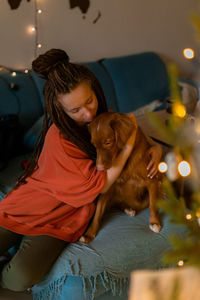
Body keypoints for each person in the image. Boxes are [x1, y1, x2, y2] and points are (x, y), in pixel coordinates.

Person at [0, 49, 162, 292]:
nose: (87, 113)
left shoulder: (103, 119)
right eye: (75, 110)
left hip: (67, 214)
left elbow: (133, 136)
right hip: (35, 200)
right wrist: (129, 144)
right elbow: (104, 184)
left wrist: (155, 147)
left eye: (89, 101)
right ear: (60, 111)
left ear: (95, 91)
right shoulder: (59, 138)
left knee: (18, 279)